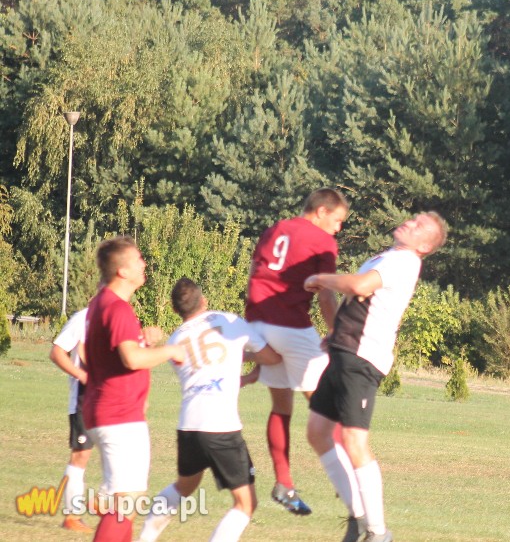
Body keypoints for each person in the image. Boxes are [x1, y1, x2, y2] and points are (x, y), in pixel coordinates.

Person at [304, 211, 447, 542]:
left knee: (355, 441)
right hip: (345, 351)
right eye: (414, 218)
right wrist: (334, 331)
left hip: (362, 358)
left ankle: (378, 532)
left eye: (419, 226)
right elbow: (358, 297)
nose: (410, 222)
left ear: (423, 246)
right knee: (318, 432)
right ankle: (357, 517)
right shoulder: (386, 257)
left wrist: (323, 278)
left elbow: (358, 285)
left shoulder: (405, 261)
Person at [138, 278, 283, 542]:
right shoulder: (229, 320)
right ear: (203, 300)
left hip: (190, 425)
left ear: (176, 310)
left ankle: (145, 538)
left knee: (184, 487)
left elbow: (207, 377)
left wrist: (246, 378)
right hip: (221, 428)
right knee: (245, 502)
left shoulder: (177, 339)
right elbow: (271, 357)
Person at [244, 187, 349, 515]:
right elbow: (327, 295)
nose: (338, 228)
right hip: (289, 323)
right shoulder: (322, 241)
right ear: (320, 212)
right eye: (337, 220)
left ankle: (284, 484)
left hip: (258, 320)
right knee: (328, 406)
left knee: (281, 404)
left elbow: (253, 275)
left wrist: (257, 334)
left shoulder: (275, 228)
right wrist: (335, 333)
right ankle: (350, 481)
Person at [82, 236, 185, 542]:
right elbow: (131, 358)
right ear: (123, 272)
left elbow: (114, 353)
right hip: (119, 415)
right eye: (139, 259)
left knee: (125, 501)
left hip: (107, 410)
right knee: (126, 502)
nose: (144, 264)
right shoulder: (117, 308)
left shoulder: (102, 302)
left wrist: (143, 340)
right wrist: (171, 351)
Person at [49, 306, 95, 533]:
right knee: (81, 456)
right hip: (83, 400)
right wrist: (83, 375)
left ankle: (108, 505)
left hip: (110, 400)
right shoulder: (83, 318)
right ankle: (72, 516)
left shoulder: (119, 315)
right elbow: (57, 352)